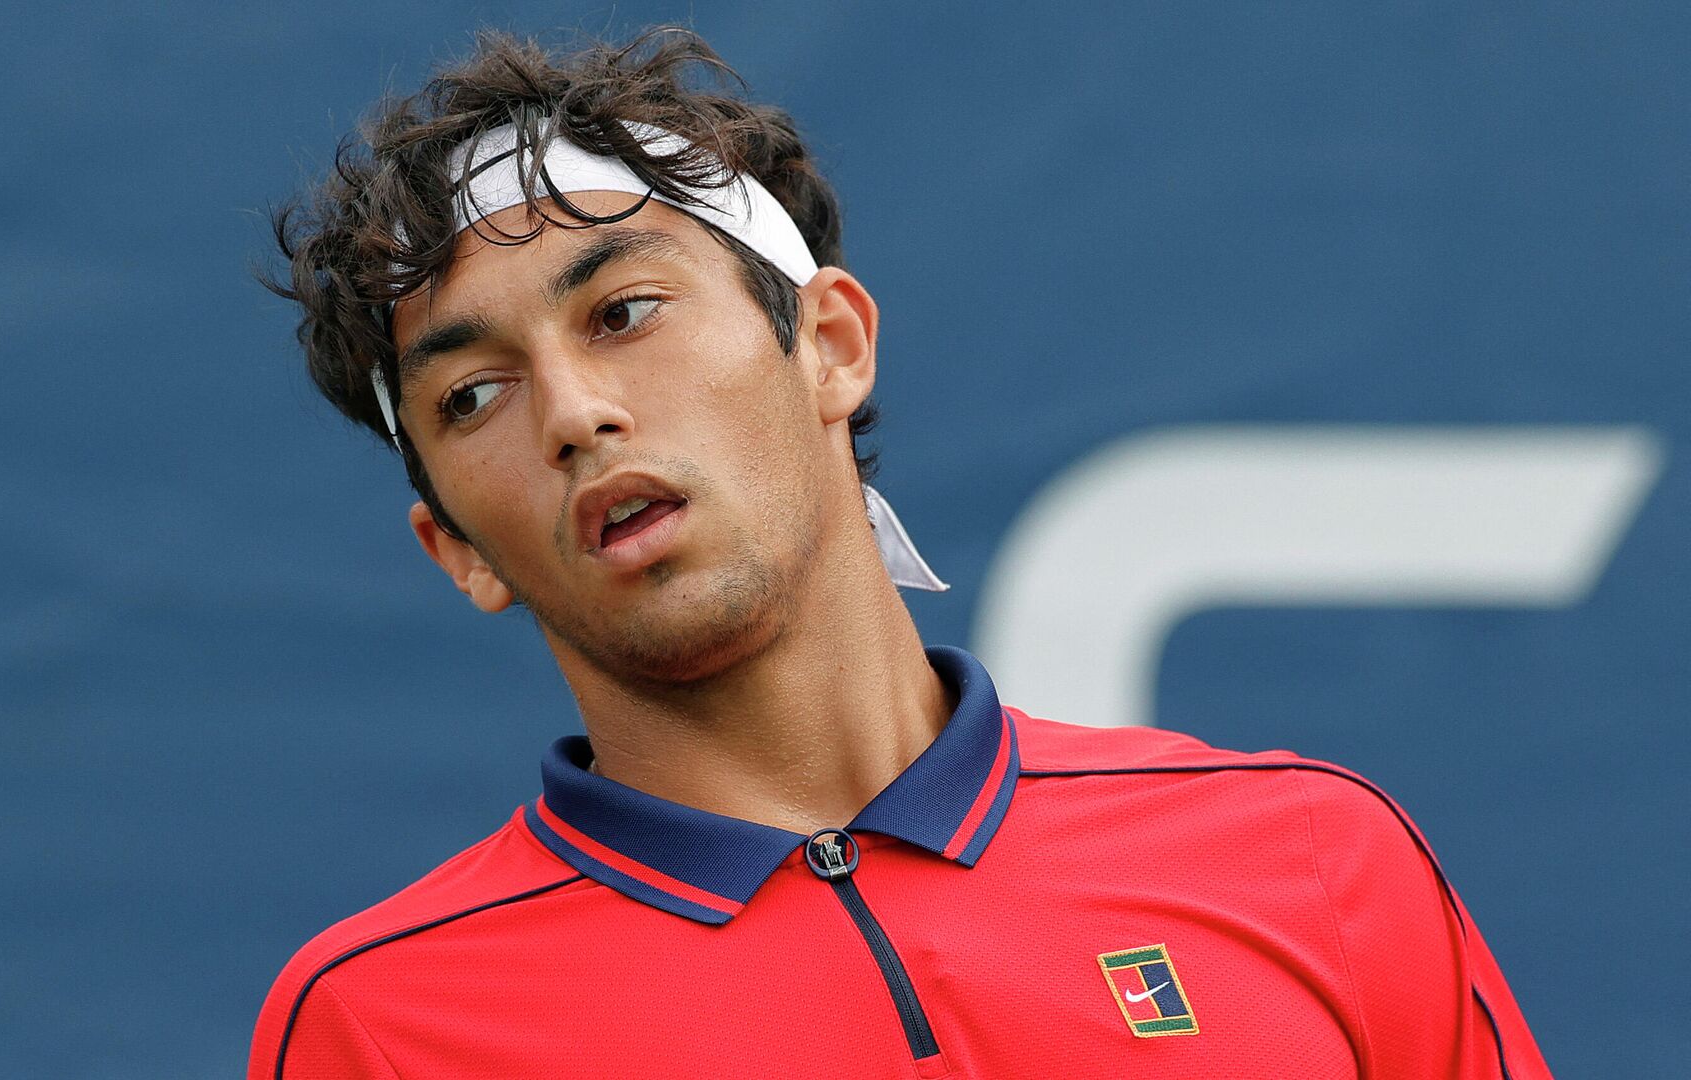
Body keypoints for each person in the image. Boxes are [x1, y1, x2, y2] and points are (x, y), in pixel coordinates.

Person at [247, 27, 1550, 1079]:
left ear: (831, 344)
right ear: (455, 549)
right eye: (472, 396)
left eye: (624, 310)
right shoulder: (377, 1027)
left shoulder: (1317, 859)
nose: (576, 413)